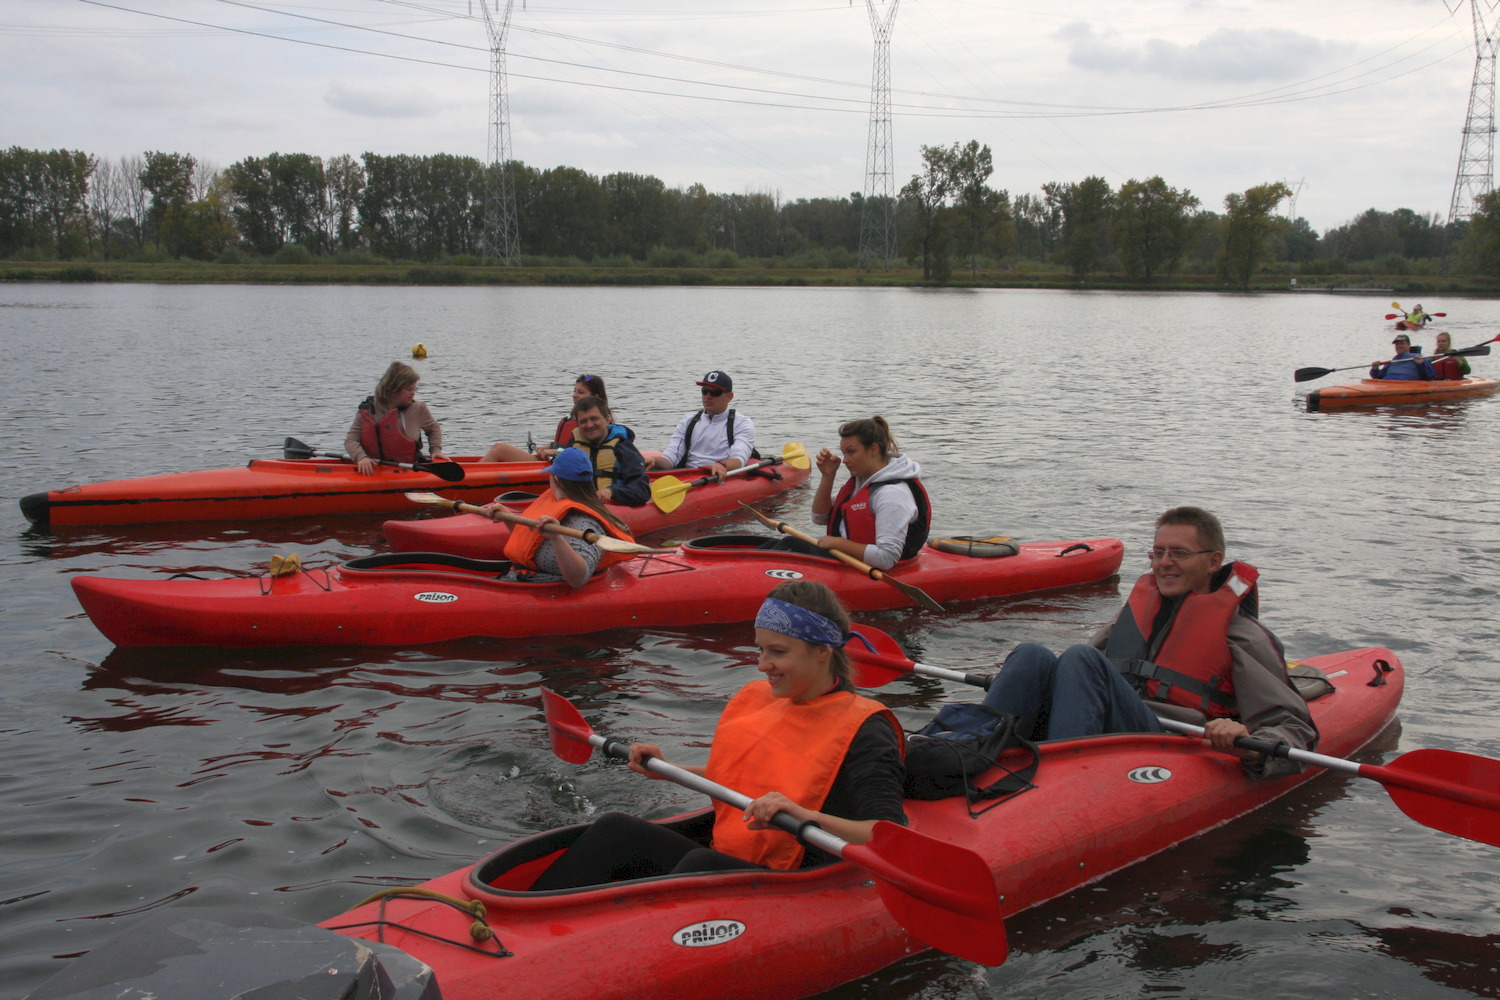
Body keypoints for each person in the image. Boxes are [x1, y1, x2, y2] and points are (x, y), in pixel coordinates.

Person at [527, 580, 907, 890]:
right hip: (733, 857)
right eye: (760, 650)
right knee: (615, 828)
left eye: (777, 652)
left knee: (701, 864)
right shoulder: (764, 699)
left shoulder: (865, 728)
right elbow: (740, 777)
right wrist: (668, 768)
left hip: (792, 878)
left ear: (822, 651)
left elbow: (886, 834)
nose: (763, 665)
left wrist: (803, 815)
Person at [972, 507, 1317, 779]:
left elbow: (1294, 727)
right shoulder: (1133, 616)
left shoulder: (1242, 636)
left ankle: (1061, 781)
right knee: (1031, 655)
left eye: (1179, 553)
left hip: (1167, 743)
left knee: (1081, 657)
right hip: (1111, 730)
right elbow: (1075, 679)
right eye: (1158, 552)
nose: (1165, 563)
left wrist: (1250, 745)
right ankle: (964, 751)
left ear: (1213, 561)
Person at [494, 448, 635, 589]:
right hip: (519, 579)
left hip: (547, 591)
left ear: (557, 480)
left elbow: (578, 579)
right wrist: (508, 517)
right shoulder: (554, 504)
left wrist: (556, 538)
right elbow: (529, 539)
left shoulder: (583, 522)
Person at [807, 416, 931, 571]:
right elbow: (819, 517)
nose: (845, 460)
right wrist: (828, 476)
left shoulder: (892, 494)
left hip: (875, 570)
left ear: (873, 449)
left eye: (851, 452)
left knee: (790, 545)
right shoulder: (862, 482)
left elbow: (887, 558)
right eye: (844, 453)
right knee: (785, 544)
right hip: (846, 561)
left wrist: (837, 543)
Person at [650, 370, 755, 483]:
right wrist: (654, 461)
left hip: (718, 477)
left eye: (715, 392)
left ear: (729, 397)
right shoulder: (688, 421)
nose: (708, 397)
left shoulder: (742, 423)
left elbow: (739, 459)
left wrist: (721, 465)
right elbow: (671, 457)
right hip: (689, 476)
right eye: (704, 391)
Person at [345, 361, 446, 476]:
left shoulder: (418, 409)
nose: (413, 393)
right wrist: (361, 457)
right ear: (393, 389)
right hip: (373, 468)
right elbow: (351, 440)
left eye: (414, 389)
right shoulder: (367, 410)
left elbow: (433, 429)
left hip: (409, 468)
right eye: (409, 389)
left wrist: (435, 450)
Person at [480, 374, 609, 464]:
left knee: (500, 449)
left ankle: (469, 483)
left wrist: (555, 451)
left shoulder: (597, 424)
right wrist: (549, 447)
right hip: (554, 462)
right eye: (575, 391)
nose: (574, 395)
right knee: (499, 449)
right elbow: (571, 444)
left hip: (565, 468)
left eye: (581, 392)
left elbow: (589, 452)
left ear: (595, 397)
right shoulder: (575, 419)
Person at [565, 395, 650, 507]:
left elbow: (642, 490)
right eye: (583, 421)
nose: (589, 425)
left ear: (607, 420)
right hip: (580, 505)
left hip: (611, 507)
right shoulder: (573, 447)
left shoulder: (623, 448)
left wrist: (611, 492)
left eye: (594, 419)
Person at [1370, 334, 1436, 381]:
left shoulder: (1420, 359)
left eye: (1402, 343)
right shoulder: (1392, 361)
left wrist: (1421, 364)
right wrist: (1375, 370)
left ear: (1409, 345)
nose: (1399, 346)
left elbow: (1431, 376)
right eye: (1397, 344)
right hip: (1387, 383)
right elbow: (1379, 377)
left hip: (1404, 384)